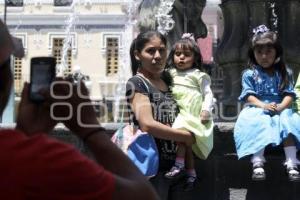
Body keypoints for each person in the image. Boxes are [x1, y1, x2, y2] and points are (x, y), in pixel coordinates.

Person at [0, 19, 159, 200]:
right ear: (7, 80)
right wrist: (90, 128)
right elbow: (144, 195)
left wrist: (25, 135)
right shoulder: (47, 160)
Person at [126, 31, 195, 199]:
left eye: (162, 50)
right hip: (152, 170)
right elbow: (147, 124)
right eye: (150, 51)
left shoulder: (169, 80)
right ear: (137, 55)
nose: (157, 56)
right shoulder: (137, 83)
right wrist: (185, 136)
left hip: (178, 167)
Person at [234, 25, 300, 182]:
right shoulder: (250, 74)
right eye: (259, 52)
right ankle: (257, 162)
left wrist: (282, 107)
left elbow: (289, 94)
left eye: (268, 52)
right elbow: (249, 96)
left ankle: (292, 162)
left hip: (280, 106)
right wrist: (263, 106)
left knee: (288, 121)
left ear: (277, 52)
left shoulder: (285, 73)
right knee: (259, 120)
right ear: (253, 54)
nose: (264, 56)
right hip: (258, 107)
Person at [163, 33, 214, 191]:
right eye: (178, 54)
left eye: (187, 55)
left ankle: (179, 164)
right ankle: (191, 172)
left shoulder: (198, 75)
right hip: (179, 110)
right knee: (186, 142)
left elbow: (208, 94)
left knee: (183, 135)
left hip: (192, 112)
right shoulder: (169, 73)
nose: (181, 58)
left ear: (195, 58)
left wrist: (206, 109)